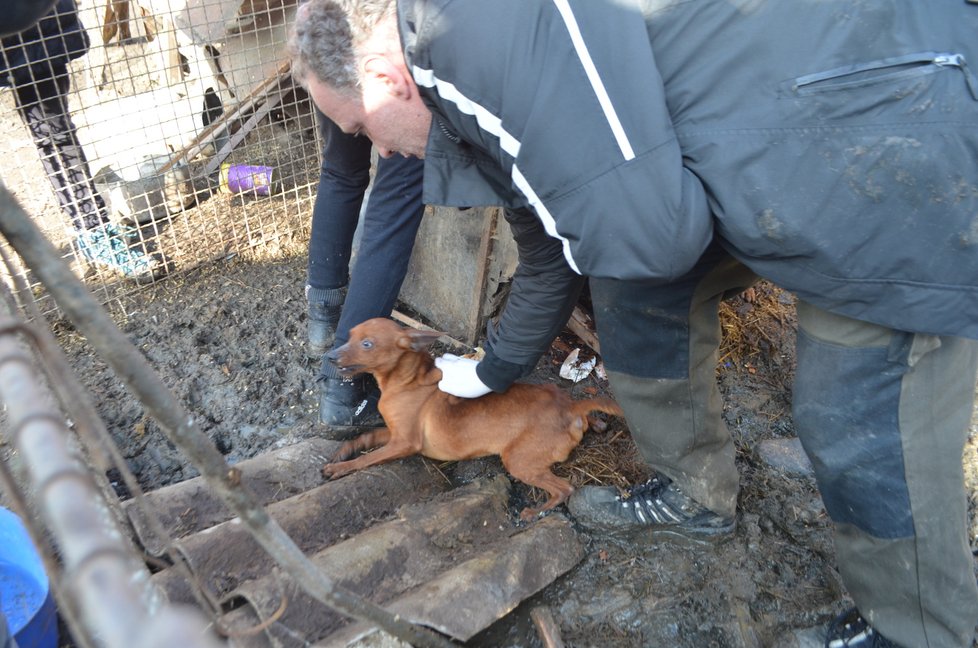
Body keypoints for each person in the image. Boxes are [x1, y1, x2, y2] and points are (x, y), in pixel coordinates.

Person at [287, 1, 978, 647]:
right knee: (634, 300)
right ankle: (696, 495)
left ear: (384, 81)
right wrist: (493, 369)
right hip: (746, 141)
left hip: (892, 133)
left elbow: (651, 237)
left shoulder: (468, 57)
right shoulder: (456, 63)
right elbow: (551, 237)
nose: (378, 151)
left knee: (854, 410)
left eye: (358, 130)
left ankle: (919, 628)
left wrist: (577, 250)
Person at [0, 0, 163, 281]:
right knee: (55, 136)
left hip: (41, 36)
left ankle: (94, 231)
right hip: (27, 28)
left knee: (56, 134)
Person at [306, 110, 425, 434]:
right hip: (396, 83)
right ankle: (343, 392)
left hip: (335, 65)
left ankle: (322, 319)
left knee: (340, 170)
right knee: (395, 205)